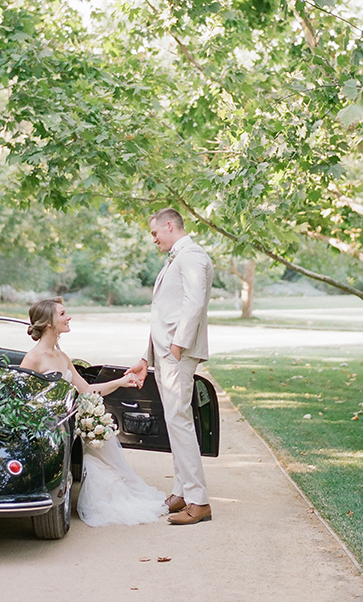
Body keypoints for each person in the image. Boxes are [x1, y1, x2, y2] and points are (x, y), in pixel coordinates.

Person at [20, 297, 167, 527]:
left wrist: (121, 381)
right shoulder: (32, 358)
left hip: (70, 424)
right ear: (48, 323)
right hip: (50, 428)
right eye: (62, 314)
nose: (68, 317)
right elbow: (23, 400)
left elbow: (86, 389)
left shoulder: (62, 356)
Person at [127, 208, 214, 525]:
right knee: (174, 421)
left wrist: (178, 345)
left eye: (154, 233)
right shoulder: (177, 259)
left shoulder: (192, 256)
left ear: (168, 225)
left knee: (179, 421)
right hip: (165, 352)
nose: (154, 239)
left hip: (178, 352)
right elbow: (163, 312)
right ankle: (181, 490)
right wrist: (146, 357)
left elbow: (193, 304)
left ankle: (198, 500)